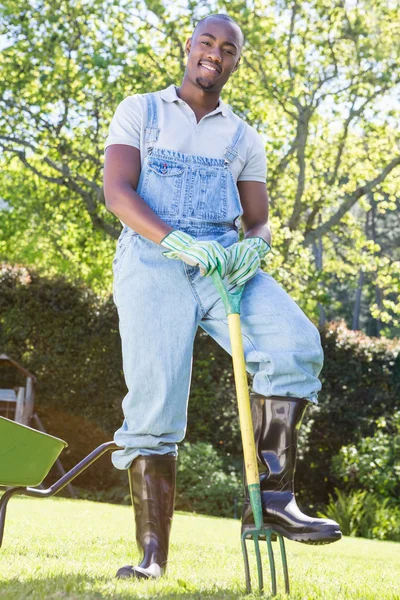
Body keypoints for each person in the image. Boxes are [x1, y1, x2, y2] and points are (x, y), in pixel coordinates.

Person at [103, 13, 341, 581]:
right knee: (155, 406)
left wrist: (253, 251)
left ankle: (274, 502)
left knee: (294, 346)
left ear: (235, 61)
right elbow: (117, 191)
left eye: (227, 48)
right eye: (206, 43)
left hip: (222, 266)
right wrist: (173, 239)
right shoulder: (143, 111)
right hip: (153, 261)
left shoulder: (242, 136)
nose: (215, 54)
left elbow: (258, 222)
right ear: (189, 48)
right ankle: (152, 557)